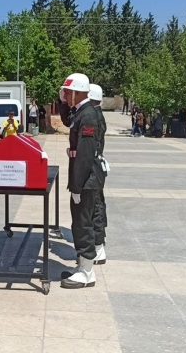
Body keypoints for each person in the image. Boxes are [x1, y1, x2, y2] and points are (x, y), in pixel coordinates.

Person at [57, 73, 103, 289]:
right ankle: (82, 266)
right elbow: (68, 120)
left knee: (83, 223)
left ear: (77, 92)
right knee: (79, 221)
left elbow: (84, 155)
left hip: (86, 178)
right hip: (83, 177)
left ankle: (87, 272)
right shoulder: (81, 112)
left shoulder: (88, 116)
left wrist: (76, 185)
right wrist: (63, 102)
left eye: (67, 92)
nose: (65, 96)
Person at [86, 84, 108, 266]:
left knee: (95, 207)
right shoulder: (97, 115)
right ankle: (99, 243)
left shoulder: (94, 117)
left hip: (94, 167)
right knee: (97, 204)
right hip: (97, 165)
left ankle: (99, 246)